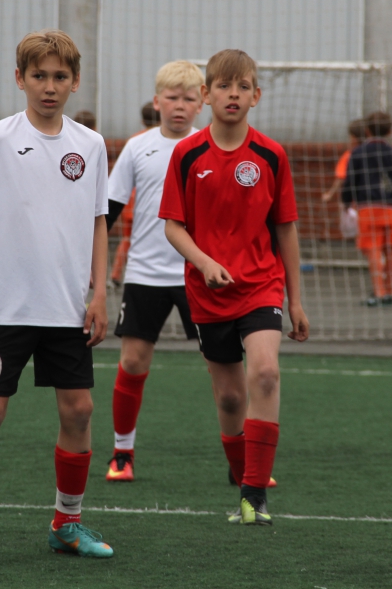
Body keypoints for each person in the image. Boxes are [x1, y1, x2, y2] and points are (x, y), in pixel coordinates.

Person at [0, 29, 113, 570]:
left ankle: (66, 524)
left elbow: (99, 221)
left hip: (68, 308)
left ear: (75, 82)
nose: (49, 86)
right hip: (6, 308)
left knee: (80, 410)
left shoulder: (92, 144)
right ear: (20, 79)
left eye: (60, 76)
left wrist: (101, 292)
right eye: (39, 75)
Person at [159, 49, 310, 526]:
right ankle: (241, 472)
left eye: (243, 86)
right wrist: (204, 263)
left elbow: (285, 228)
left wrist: (296, 300)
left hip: (262, 285)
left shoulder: (271, 155)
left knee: (264, 374)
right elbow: (173, 226)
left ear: (256, 96)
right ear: (206, 95)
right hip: (207, 293)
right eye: (224, 86)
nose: (233, 94)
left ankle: (254, 496)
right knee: (228, 397)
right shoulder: (187, 154)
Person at [103, 63, 203, 482]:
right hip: (144, 274)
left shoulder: (211, 147)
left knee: (225, 366)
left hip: (200, 274)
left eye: (188, 99)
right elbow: (109, 209)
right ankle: (122, 453)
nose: (180, 106)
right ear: (157, 101)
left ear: (202, 103)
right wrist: (85, 262)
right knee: (132, 362)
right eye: (172, 98)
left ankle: (244, 462)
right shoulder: (137, 146)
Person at [342, 111, 392, 307]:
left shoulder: (358, 153)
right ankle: (390, 290)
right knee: (390, 249)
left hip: (368, 207)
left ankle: (378, 292)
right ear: (390, 132)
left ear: (367, 130)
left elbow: (350, 181)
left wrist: (346, 202)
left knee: (373, 250)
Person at [109, 101, 162, 288]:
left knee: (127, 239)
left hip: (129, 203)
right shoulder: (162, 141)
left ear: (141, 121)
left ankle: (115, 275)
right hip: (150, 205)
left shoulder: (134, 140)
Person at [322, 118, 370, 240]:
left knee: (357, 233)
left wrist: (330, 194)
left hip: (354, 203)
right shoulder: (374, 154)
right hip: (373, 201)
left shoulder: (350, 156)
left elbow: (341, 178)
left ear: (353, 138)